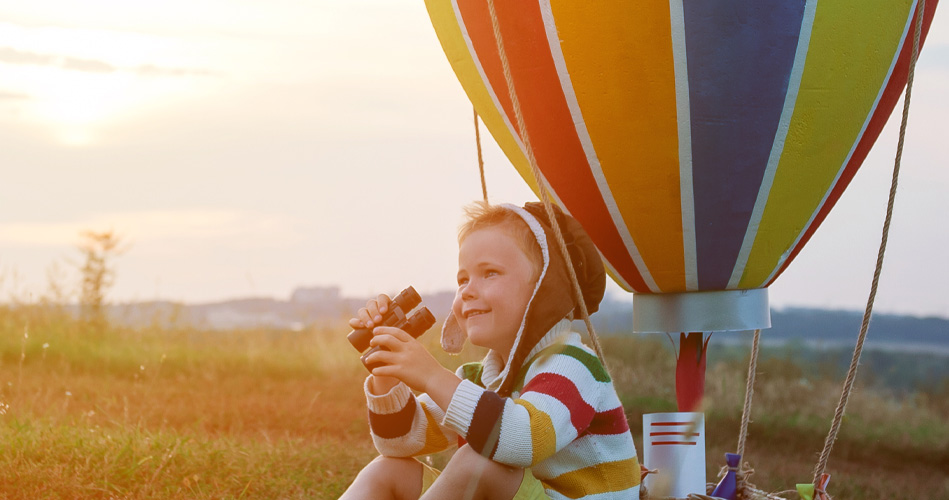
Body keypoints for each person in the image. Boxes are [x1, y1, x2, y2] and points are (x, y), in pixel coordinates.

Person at [339, 202, 641, 500]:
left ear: (542, 289)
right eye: (463, 279)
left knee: (477, 463)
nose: (468, 289)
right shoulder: (483, 378)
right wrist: (386, 369)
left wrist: (433, 377)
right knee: (389, 469)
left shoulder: (571, 365)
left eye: (490, 273)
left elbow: (525, 439)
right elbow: (400, 442)